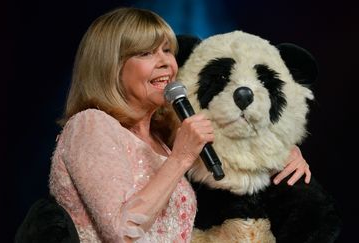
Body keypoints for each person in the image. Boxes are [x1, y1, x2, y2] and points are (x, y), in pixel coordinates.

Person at [48, 7, 311, 243]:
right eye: (146, 53)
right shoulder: (90, 125)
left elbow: (233, 163)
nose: (165, 62)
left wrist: (285, 154)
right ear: (112, 67)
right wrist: (181, 157)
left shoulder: (162, 136)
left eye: (167, 50)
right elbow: (123, 231)